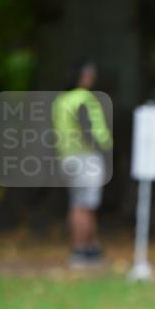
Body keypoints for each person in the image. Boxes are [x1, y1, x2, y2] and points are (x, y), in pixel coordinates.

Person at [52, 61, 113, 268]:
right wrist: (104, 147)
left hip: (67, 158)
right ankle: (80, 249)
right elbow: (89, 127)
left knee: (81, 203)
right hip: (86, 157)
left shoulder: (61, 100)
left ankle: (91, 246)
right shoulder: (85, 98)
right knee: (83, 205)